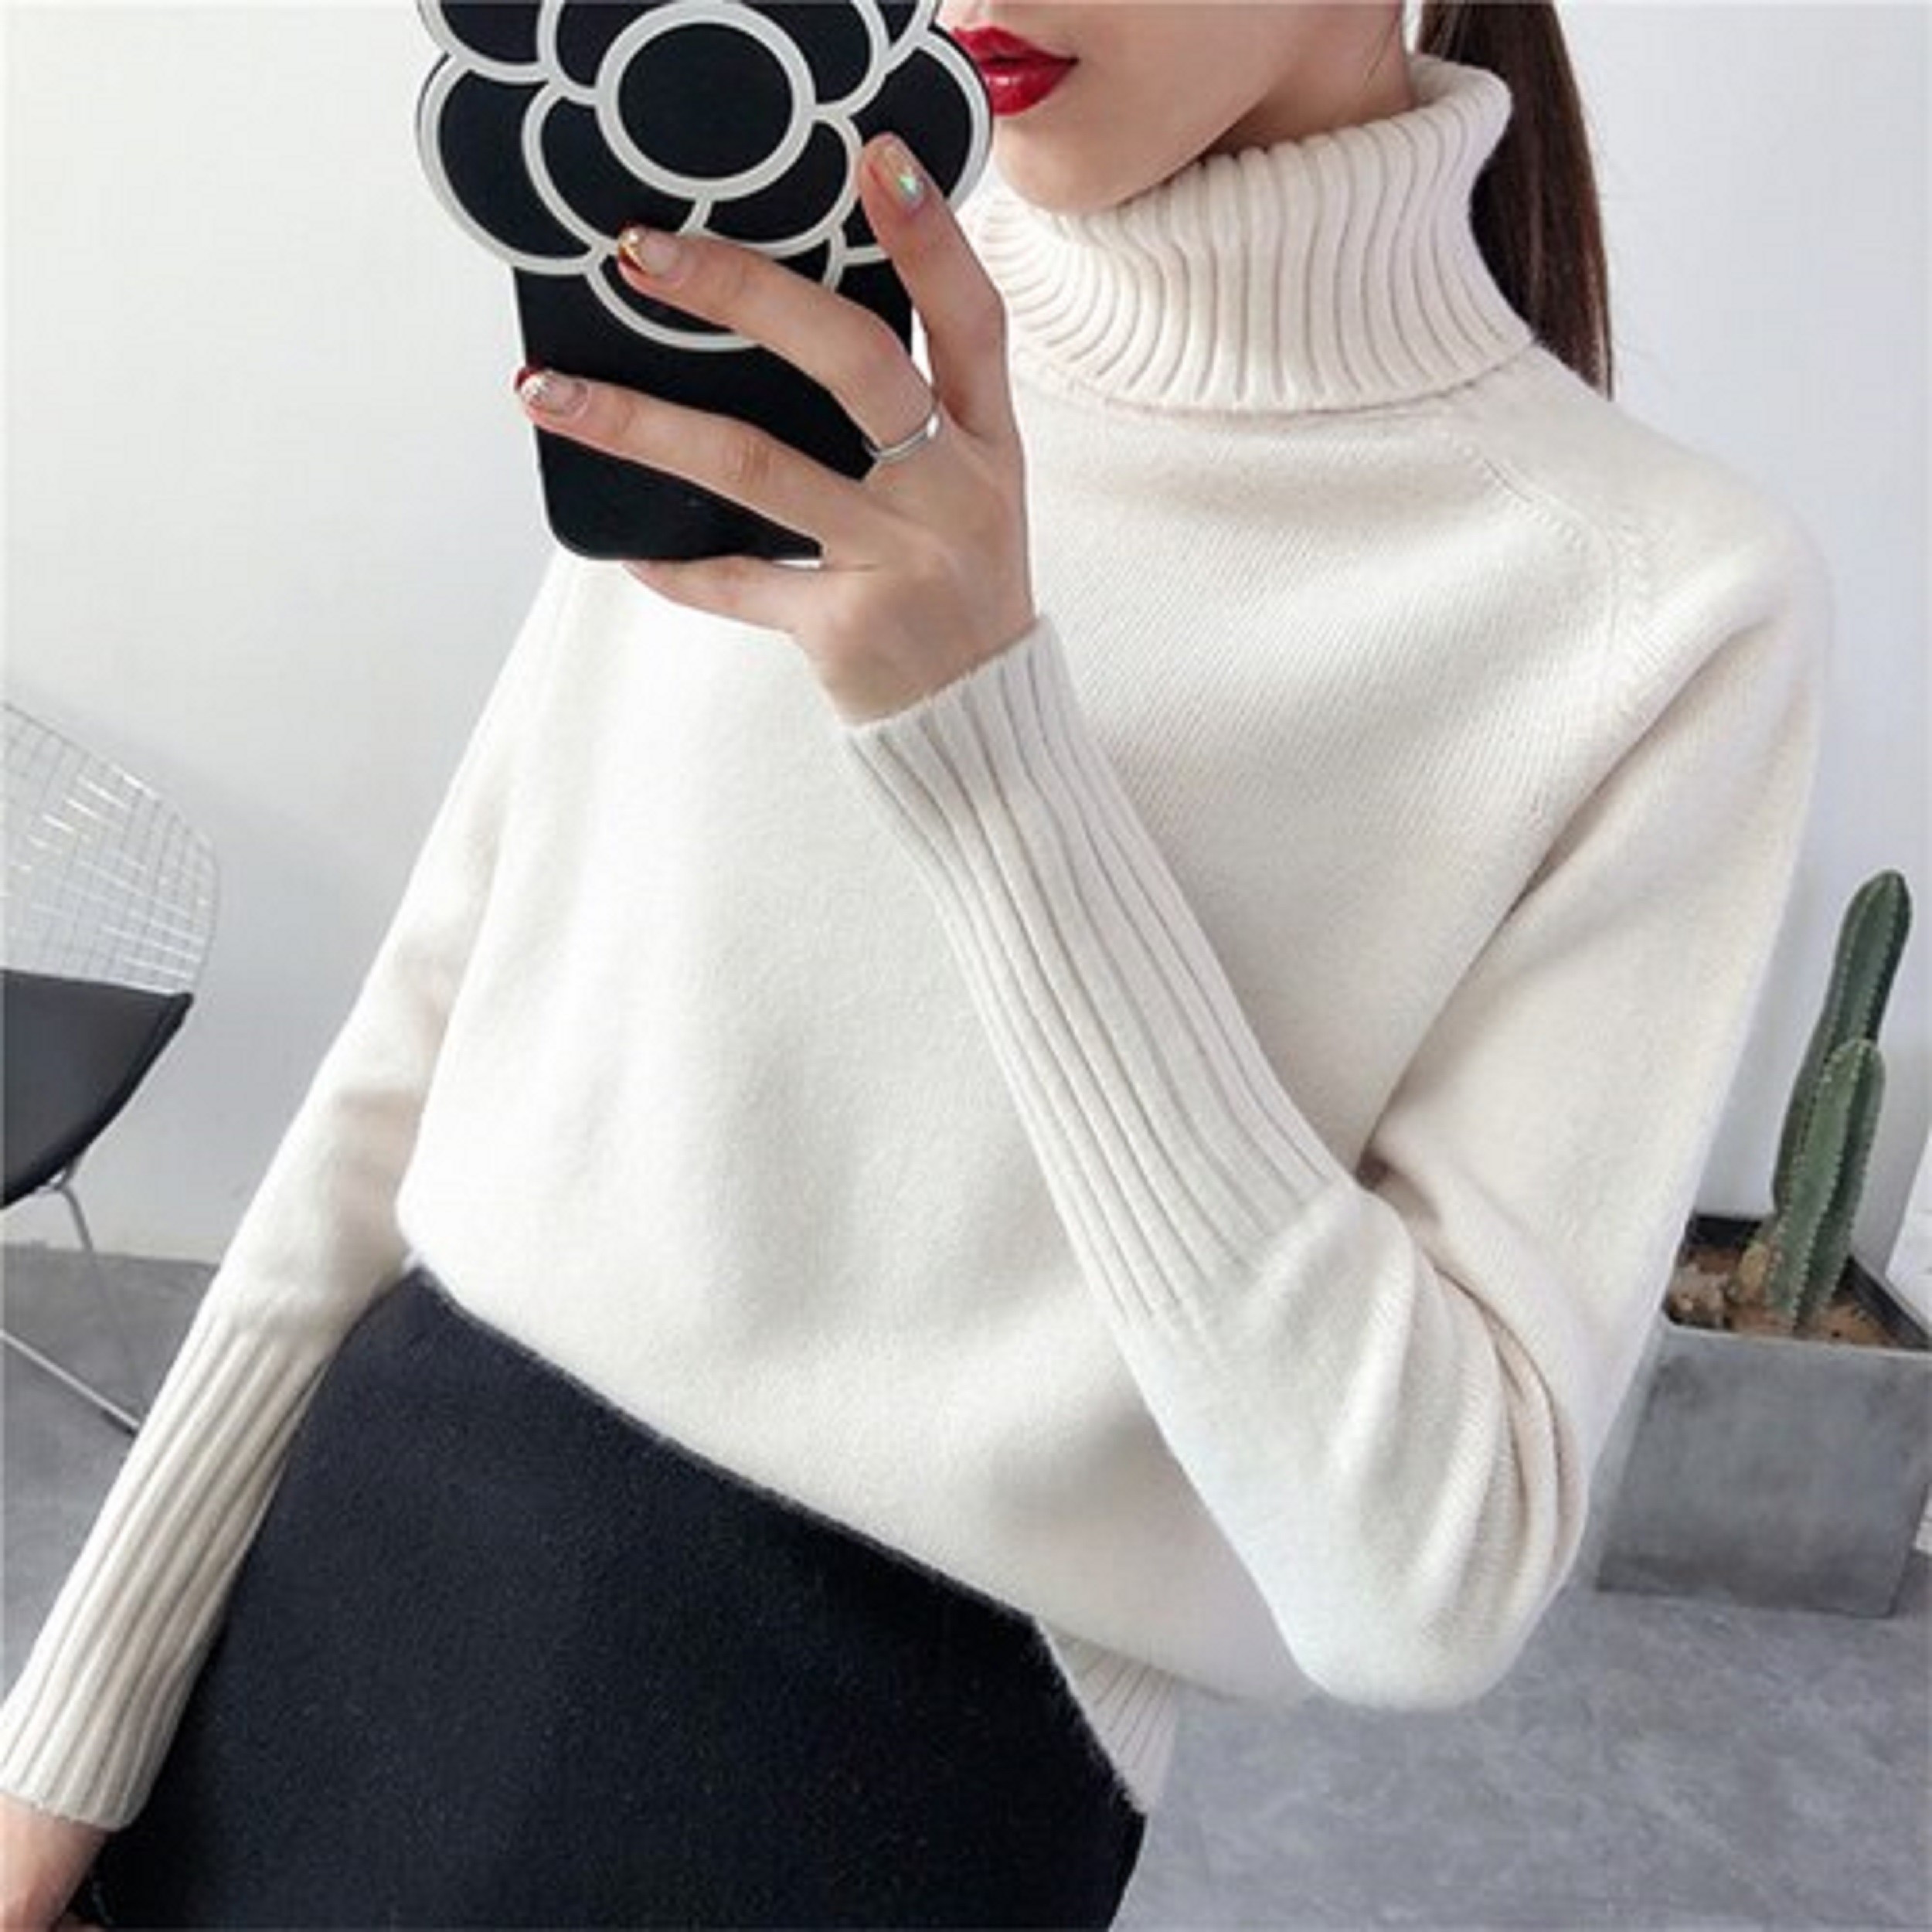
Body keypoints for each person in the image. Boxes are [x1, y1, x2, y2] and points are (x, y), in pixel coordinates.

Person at [0, 1, 1832, 1926]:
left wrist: (990, 751)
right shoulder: (802, 289)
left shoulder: (1651, 611)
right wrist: (67, 1733)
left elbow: (1422, 1582)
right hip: (343, 1596)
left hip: (876, 1809)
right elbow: (426, 1032)